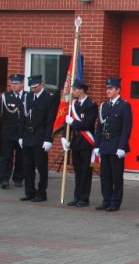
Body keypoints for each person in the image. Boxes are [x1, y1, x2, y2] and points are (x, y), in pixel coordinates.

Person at [93, 77, 132, 212]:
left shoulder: (124, 105)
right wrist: (96, 145)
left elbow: (126, 128)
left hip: (116, 145)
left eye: (110, 88)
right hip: (105, 144)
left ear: (118, 90)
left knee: (116, 176)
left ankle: (115, 202)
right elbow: (99, 127)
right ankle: (106, 200)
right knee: (105, 176)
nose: (108, 91)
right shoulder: (104, 105)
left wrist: (122, 146)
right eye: (107, 88)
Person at [18, 75, 59, 202]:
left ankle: (41, 193)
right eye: (32, 87)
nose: (33, 89)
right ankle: (29, 191)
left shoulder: (48, 98)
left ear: (41, 84)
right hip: (27, 135)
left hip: (40, 136)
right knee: (27, 166)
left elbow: (50, 120)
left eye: (35, 87)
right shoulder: (28, 97)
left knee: (41, 167)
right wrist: (21, 136)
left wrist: (48, 139)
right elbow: (23, 118)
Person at [61, 79, 98, 207]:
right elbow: (67, 124)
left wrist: (72, 122)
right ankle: (77, 197)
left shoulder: (91, 105)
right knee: (77, 171)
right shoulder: (74, 104)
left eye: (75, 89)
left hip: (86, 143)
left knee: (86, 171)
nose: (73, 92)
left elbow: (87, 124)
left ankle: (84, 198)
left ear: (82, 90)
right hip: (76, 142)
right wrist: (64, 137)